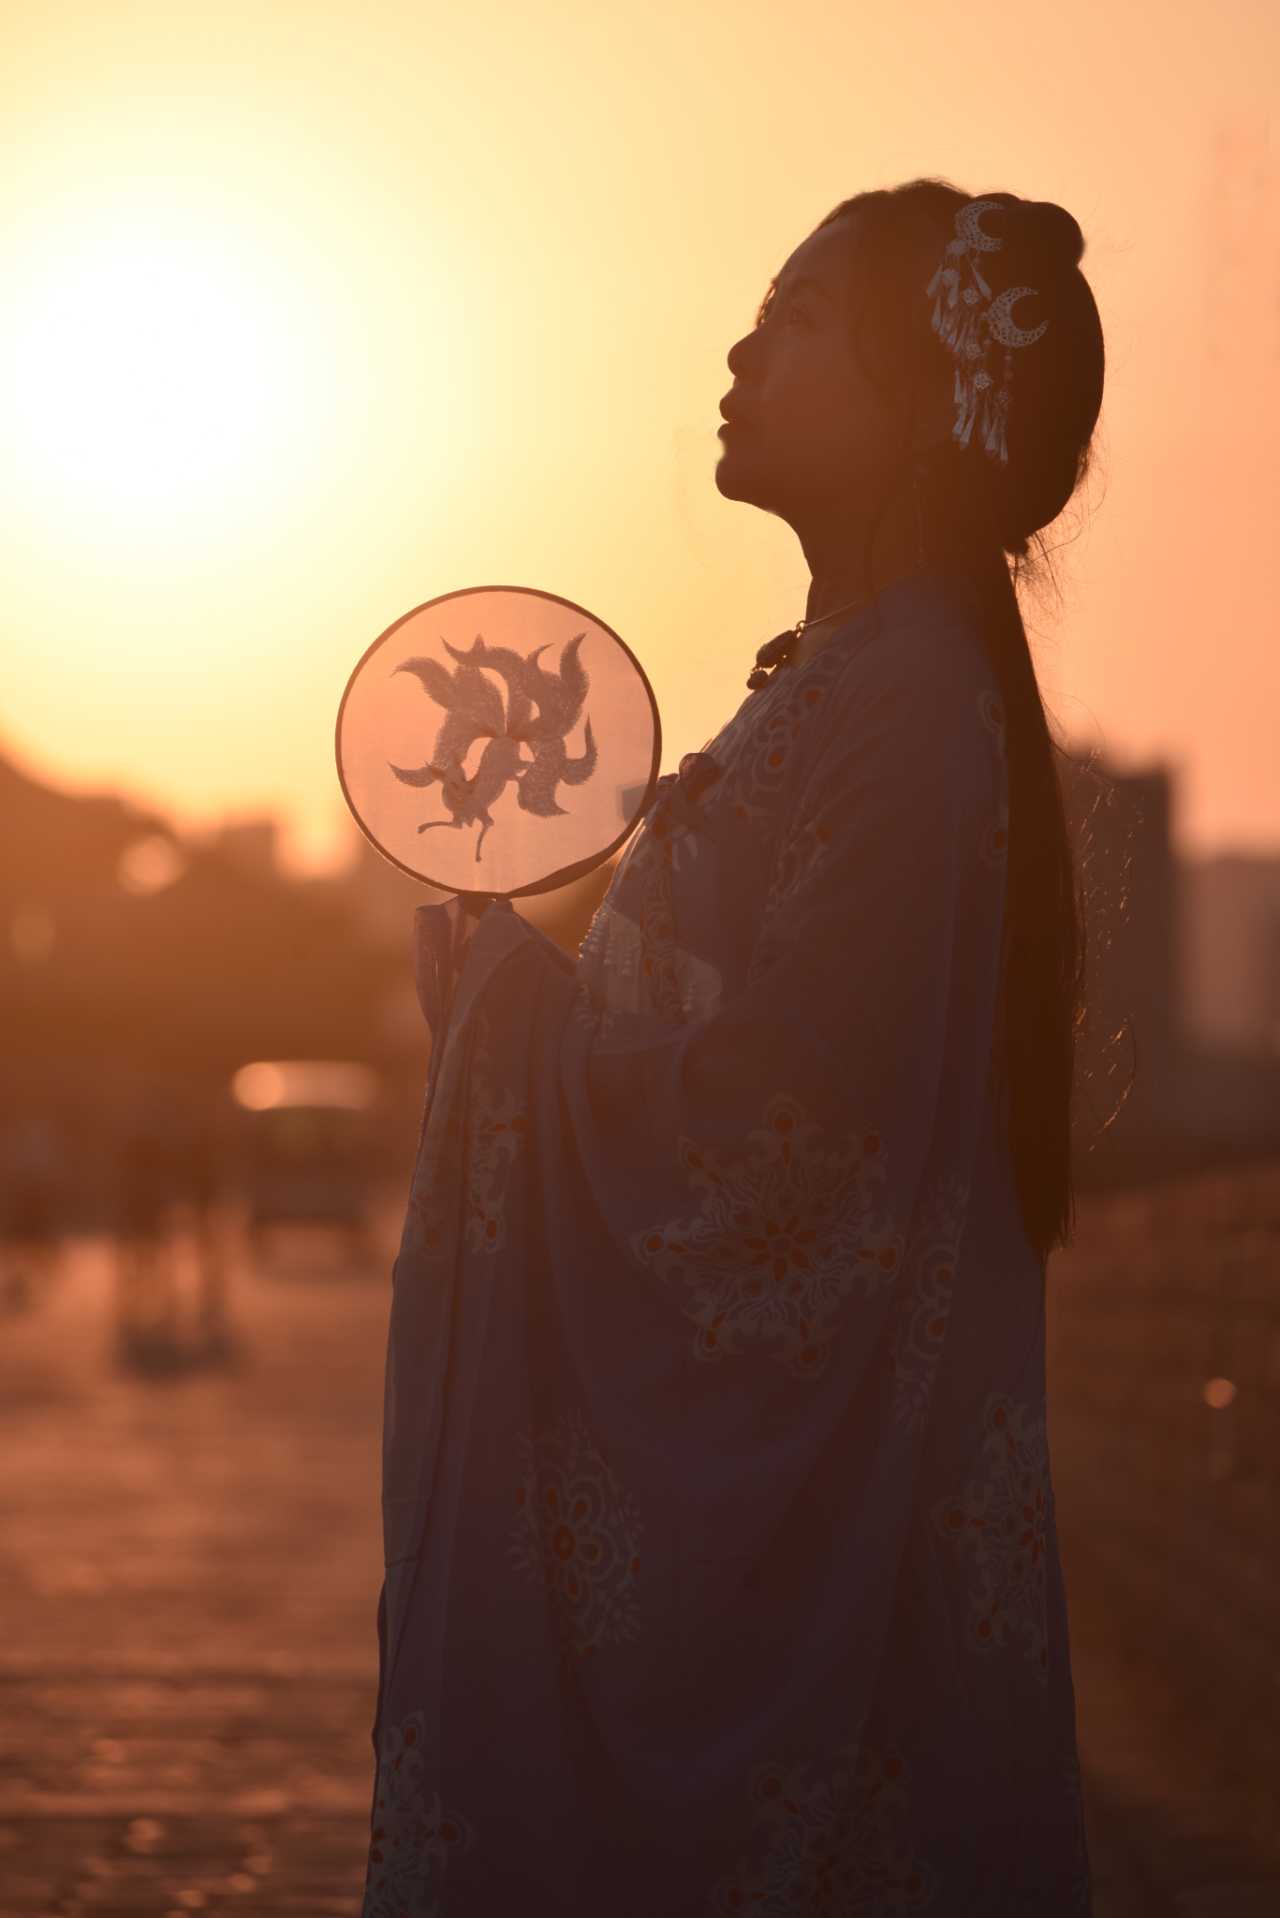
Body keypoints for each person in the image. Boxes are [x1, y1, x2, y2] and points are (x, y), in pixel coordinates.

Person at [362, 181, 1104, 1916]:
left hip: (828, 1574)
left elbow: (793, 1136)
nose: (739, 355)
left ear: (923, 400)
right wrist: (517, 1008)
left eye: (796, 322)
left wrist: (509, 1024)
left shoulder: (906, 706)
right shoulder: (845, 683)